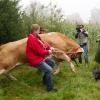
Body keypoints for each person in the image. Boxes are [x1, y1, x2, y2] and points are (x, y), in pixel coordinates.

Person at [26, 24, 57, 92]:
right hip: (35, 59)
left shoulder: (36, 37)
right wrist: (49, 51)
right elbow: (40, 52)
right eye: (39, 30)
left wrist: (50, 47)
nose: (40, 31)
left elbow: (44, 44)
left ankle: (45, 81)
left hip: (39, 57)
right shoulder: (31, 39)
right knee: (49, 70)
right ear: (34, 31)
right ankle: (50, 89)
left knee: (52, 63)